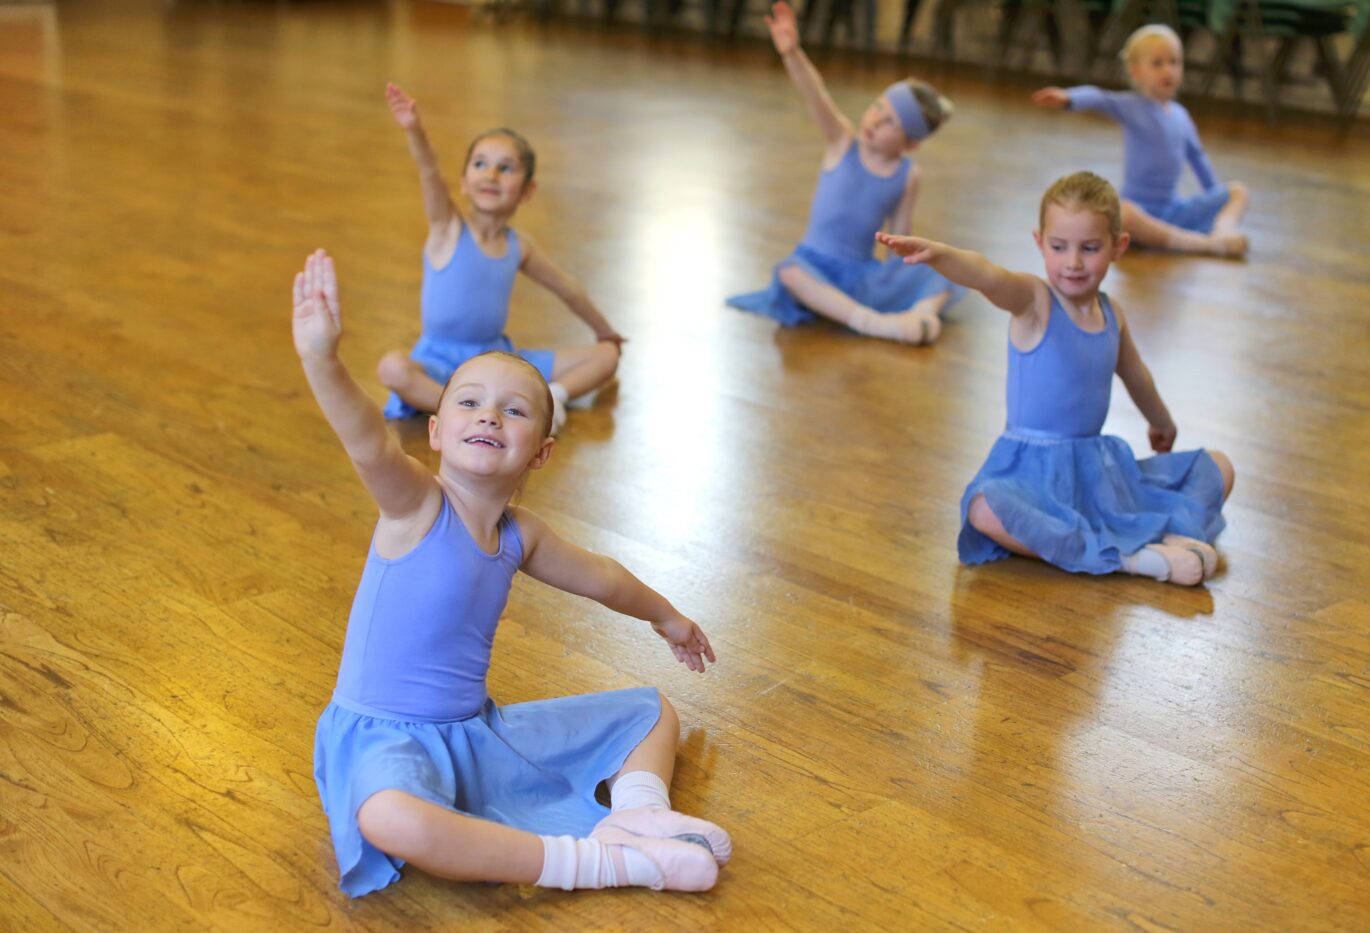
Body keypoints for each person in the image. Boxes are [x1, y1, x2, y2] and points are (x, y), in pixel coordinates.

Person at [292, 249, 731, 897]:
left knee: (649, 708)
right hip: (387, 746)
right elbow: (367, 439)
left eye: (515, 410)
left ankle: (638, 814)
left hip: (477, 738)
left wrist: (666, 615)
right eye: (470, 402)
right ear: (436, 432)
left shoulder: (519, 536)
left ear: (542, 452)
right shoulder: (416, 504)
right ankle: (602, 864)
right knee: (388, 817)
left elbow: (603, 577)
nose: (490, 415)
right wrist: (322, 360)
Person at [879, 172, 1235, 584]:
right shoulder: (1034, 302)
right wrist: (940, 255)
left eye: (1090, 248)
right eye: (1059, 247)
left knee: (1218, 466)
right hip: (1031, 475)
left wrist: (1161, 421)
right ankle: (1131, 559)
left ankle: (1163, 537)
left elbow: (1136, 375)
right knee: (983, 510)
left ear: (1118, 246)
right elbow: (987, 275)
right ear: (1039, 242)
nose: (1073, 262)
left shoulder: (1111, 313)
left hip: (1098, 473)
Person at [378, 82, 623, 434]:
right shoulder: (448, 229)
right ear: (463, 182)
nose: (491, 174)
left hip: (497, 360)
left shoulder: (518, 246)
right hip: (439, 362)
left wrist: (606, 331)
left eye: (506, 168)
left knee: (606, 358)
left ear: (527, 191)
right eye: (481, 164)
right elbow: (429, 174)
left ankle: (552, 400)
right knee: (392, 369)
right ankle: (456, 408)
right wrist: (415, 130)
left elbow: (567, 288)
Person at [726, 1, 964, 345]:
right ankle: (872, 322)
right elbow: (815, 96)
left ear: (909, 144)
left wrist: (911, 269)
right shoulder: (842, 141)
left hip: (859, 275)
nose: (874, 122)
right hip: (813, 267)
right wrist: (792, 53)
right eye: (877, 108)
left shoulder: (907, 174)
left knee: (948, 268)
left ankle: (921, 313)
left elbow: (900, 238)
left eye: (889, 124)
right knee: (790, 274)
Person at [1031, 25, 1249, 258]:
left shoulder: (1181, 115)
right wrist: (1070, 98)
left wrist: (1214, 200)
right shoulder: (1132, 106)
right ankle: (1199, 244)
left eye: (1175, 62)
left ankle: (1222, 232)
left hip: (1173, 211)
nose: (1169, 70)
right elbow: (1100, 98)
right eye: (1158, 64)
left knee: (1237, 191)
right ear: (1136, 72)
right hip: (1139, 212)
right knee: (1124, 214)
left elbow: (1198, 158)